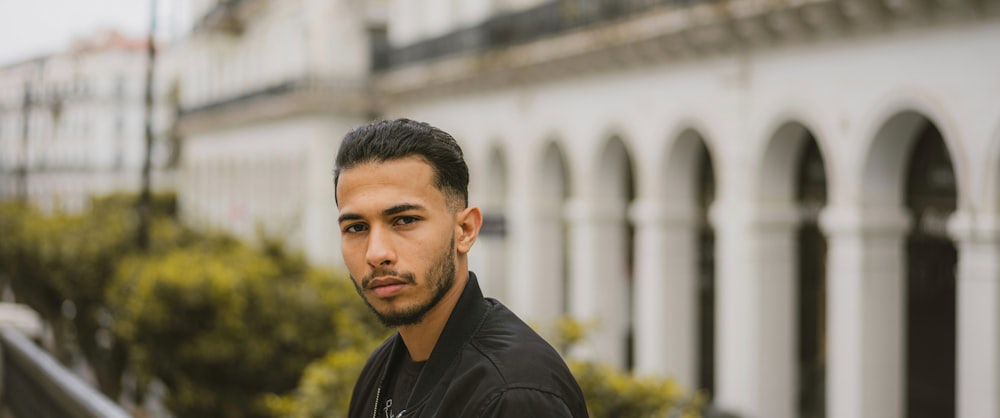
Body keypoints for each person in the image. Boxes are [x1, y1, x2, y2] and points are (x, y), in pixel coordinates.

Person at [334, 118, 589, 418]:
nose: (377, 254)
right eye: (357, 227)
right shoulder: (380, 370)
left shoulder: (513, 395)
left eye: (405, 220)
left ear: (465, 230)